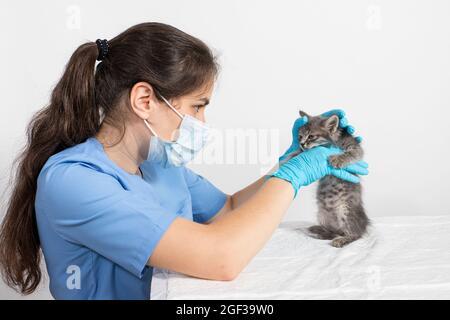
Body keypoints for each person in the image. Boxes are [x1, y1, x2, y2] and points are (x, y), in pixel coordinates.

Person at [0, 22, 368, 299]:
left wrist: (290, 160)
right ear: (144, 100)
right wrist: (294, 175)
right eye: (197, 106)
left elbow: (228, 208)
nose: (203, 122)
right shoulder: (73, 181)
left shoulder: (158, 162)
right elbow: (222, 258)